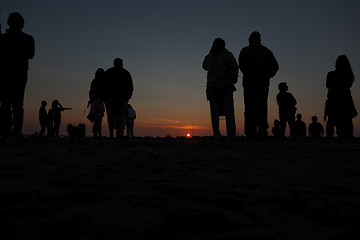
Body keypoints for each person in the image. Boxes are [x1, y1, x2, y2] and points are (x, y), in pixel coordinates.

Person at [0, 12, 35, 139]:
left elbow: (30, 54)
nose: (15, 24)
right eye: (13, 21)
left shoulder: (28, 38)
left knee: (16, 104)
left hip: (19, 74)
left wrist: (14, 46)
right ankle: (6, 131)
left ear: (21, 24)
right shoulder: (3, 38)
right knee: (5, 104)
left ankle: (15, 131)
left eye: (17, 21)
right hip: (5, 73)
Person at [238, 31, 279, 138]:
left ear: (250, 39)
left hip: (249, 83)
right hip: (263, 84)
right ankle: (262, 131)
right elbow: (275, 67)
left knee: (250, 107)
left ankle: (250, 132)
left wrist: (253, 75)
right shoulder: (267, 51)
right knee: (262, 106)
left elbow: (243, 66)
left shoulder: (245, 50)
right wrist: (266, 75)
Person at [202, 38, 238, 139]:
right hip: (225, 86)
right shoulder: (227, 55)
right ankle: (231, 135)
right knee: (229, 112)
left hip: (212, 87)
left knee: (214, 113)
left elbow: (204, 66)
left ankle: (216, 134)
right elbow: (235, 67)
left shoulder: (210, 57)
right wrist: (234, 78)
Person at [325, 55, 357, 139]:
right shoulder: (349, 74)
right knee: (347, 119)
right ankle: (347, 136)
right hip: (344, 99)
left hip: (335, 99)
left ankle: (330, 137)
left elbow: (328, 85)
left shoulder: (331, 74)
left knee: (332, 119)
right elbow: (348, 85)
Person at [104, 58, 134, 138]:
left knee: (116, 117)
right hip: (113, 99)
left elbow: (130, 87)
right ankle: (114, 133)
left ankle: (114, 133)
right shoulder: (124, 73)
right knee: (115, 117)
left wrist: (127, 97)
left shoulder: (124, 73)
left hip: (119, 99)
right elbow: (131, 87)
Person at [88, 68, 106, 138]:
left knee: (97, 118)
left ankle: (96, 132)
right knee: (98, 118)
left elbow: (91, 91)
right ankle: (97, 133)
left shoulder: (95, 81)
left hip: (95, 100)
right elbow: (93, 91)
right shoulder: (101, 82)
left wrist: (90, 100)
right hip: (97, 100)